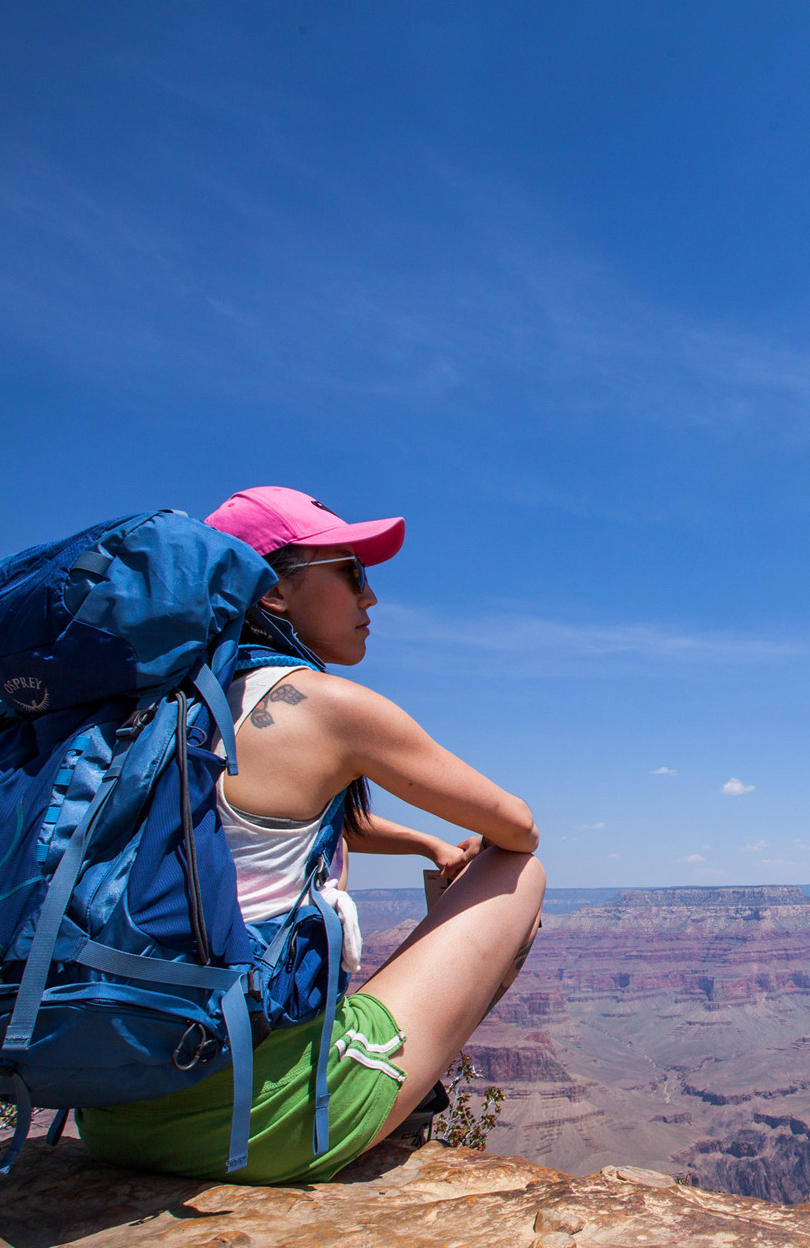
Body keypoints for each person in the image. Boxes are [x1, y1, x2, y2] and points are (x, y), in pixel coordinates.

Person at [77, 486, 544, 1184]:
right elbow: (518, 824)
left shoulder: (162, 711)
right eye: (351, 572)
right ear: (272, 593)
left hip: (111, 1114)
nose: (371, 598)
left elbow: (277, 820)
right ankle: (394, 1093)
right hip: (256, 1124)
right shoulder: (326, 708)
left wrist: (428, 846)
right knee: (520, 868)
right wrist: (471, 848)